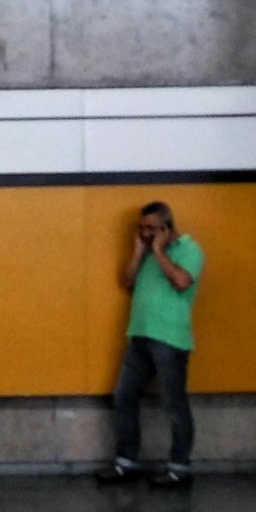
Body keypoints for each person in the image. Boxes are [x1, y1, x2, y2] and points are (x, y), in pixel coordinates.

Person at [101, 200, 204, 490]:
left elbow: (182, 282)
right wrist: (138, 251)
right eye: (142, 228)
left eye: (152, 229)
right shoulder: (145, 252)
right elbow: (127, 281)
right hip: (140, 335)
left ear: (167, 228)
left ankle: (179, 468)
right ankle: (126, 462)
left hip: (170, 339)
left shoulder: (190, 250)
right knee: (124, 396)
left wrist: (159, 251)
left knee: (174, 403)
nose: (145, 233)